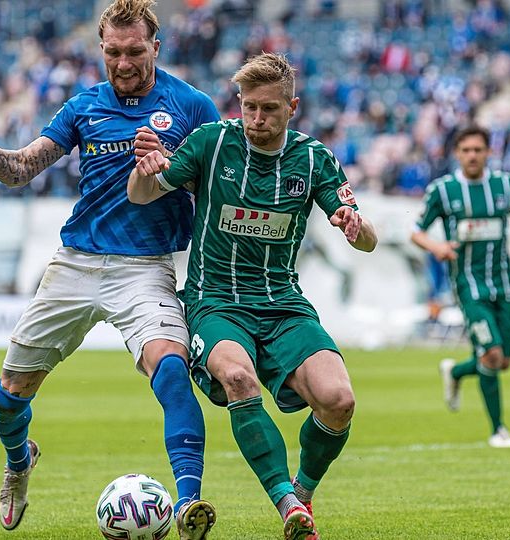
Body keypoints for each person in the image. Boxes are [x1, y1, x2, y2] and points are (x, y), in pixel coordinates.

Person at [0, 1, 219, 537]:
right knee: (8, 398)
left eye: (135, 51)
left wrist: (172, 168)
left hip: (145, 268)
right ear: (102, 49)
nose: (124, 63)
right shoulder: (83, 108)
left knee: (170, 371)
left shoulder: (191, 105)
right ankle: (18, 461)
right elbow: (22, 167)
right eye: (113, 52)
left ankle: (190, 504)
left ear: (156, 46)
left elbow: (219, 184)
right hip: (74, 264)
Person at [128, 52, 378, 540]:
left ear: (293, 107)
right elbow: (143, 193)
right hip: (215, 300)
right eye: (248, 107)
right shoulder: (210, 143)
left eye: (268, 109)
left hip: (282, 302)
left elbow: (367, 239)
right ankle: (286, 505)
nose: (256, 119)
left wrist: (356, 226)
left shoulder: (314, 158)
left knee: (339, 400)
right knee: (239, 377)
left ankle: (302, 491)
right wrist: (146, 167)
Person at [411, 124, 510, 448]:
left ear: (488, 152)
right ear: (457, 153)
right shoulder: (443, 190)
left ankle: (455, 373)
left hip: (503, 284)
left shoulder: (505, 185)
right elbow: (416, 231)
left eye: (477, 150)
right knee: (492, 354)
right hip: (469, 288)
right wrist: (437, 248)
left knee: (503, 361)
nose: (472, 155)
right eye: (466, 150)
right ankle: (498, 430)